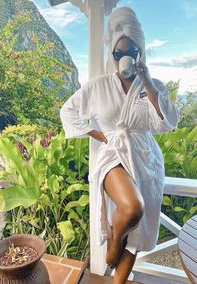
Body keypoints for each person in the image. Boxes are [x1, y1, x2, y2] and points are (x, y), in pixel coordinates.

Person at [60, 6, 180, 284]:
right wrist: (97, 134)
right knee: (133, 209)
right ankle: (114, 242)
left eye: (130, 52)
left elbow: (167, 121)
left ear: (139, 53)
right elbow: (68, 111)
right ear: (112, 55)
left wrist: (147, 81)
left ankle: (118, 280)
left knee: (134, 236)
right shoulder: (98, 85)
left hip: (146, 159)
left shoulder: (154, 85)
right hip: (114, 155)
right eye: (117, 54)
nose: (122, 59)